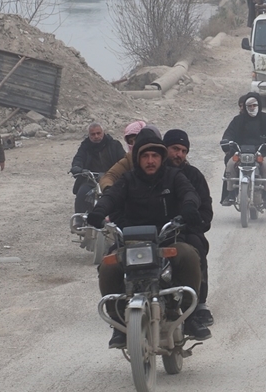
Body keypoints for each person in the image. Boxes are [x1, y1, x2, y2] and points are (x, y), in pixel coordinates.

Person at [87, 131, 210, 347]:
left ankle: (190, 317)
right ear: (137, 158)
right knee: (108, 265)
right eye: (145, 156)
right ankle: (118, 325)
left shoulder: (174, 177)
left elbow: (189, 193)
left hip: (167, 239)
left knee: (189, 254)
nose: (150, 161)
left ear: (161, 157)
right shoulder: (127, 180)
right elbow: (111, 197)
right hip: (133, 241)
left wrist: (189, 207)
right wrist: (98, 211)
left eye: (155, 156)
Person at [164, 129, 215, 329]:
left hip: (185, 231)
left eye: (184, 151)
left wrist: (195, 222)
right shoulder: (152, 172)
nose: (179, 154)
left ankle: (199, 303)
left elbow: (206, 209)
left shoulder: (193, 175)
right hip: (156, 231)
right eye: (175, 149)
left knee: (197, 248)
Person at [219, 93, 266, 209]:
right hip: (241, 152)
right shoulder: (237, 120)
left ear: (259, 105)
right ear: (245, 107)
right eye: (249, 106)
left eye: (254, 105)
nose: (252, 108)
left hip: (263, 152)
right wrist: (226, 140)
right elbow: (229, 133)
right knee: (230, 165)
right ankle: (230, 193)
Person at [69, 122, 125, 213]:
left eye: (98, 133)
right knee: (81, 194)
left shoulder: (114, 145)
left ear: (103, 132)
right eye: (93, 134)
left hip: (112, 178)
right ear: (89, 135)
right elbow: (78, 159)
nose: (96, 136)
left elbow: (123, 161)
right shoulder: (85, 146)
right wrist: (78, 168)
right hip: (91, 179)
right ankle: (79, 219)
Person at [99, 122, 162, 190]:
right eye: (130, 142)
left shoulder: (166, 157)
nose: (150, 161)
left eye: (136, 139)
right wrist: (108, 190)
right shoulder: (130, 158)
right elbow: (110, 176)